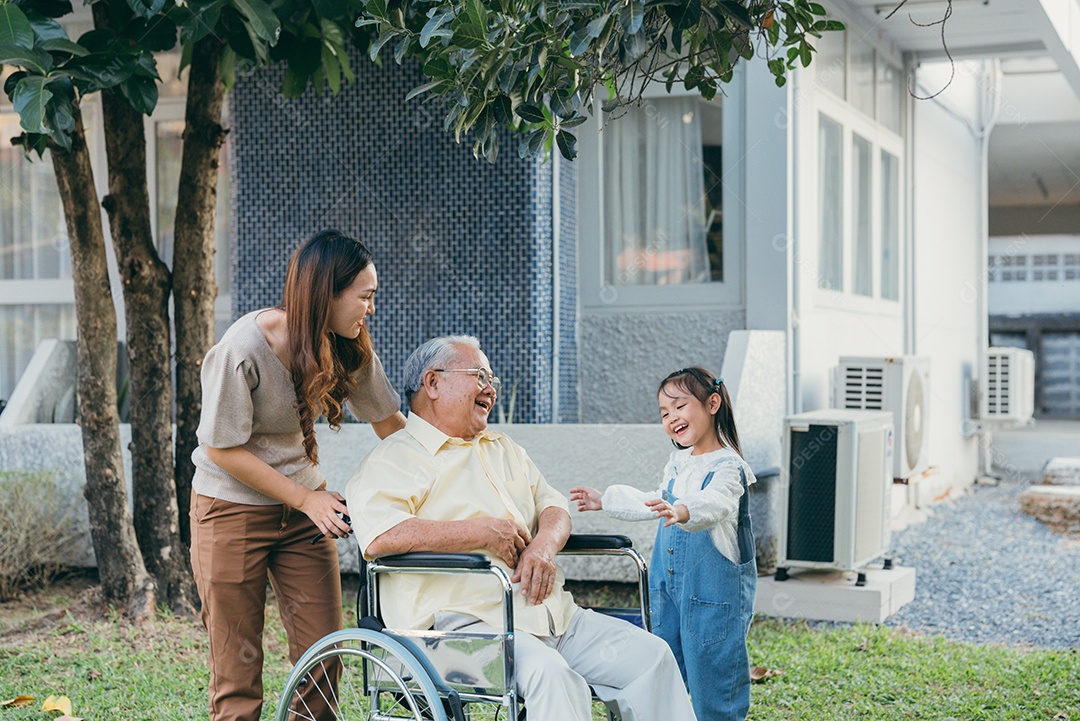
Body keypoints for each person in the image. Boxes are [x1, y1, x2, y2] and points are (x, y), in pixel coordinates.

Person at [346, 336, 697, 721]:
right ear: (433, 383)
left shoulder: (503, 448)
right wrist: (478, 533)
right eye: (479, 376)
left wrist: (544, 546)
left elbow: (555, 506)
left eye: (492, 379)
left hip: (551, 616)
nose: (490, 388)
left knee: (651, 657)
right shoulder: (394, 458)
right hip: (458, 632)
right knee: (553, 676)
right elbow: (382, 536)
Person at [190, 229, 407, 721]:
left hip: (306, 517)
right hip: (229, 512)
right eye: (365, 297)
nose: (371, 308)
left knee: (323, 660)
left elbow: (390, 425)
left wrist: (449, 469)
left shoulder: (347, 346)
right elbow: (221, 448)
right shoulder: (243, 348)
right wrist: (307, 499)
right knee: (237, 675)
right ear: (326, 293)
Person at [570, 366, 757, 721]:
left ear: (712, 403)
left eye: (680, 407)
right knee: (661, 667)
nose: (672, 418)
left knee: (713, 678)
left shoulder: (729, 467)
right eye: (664, 413)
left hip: (713, 601)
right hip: (668, 593)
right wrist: (606, 499)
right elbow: (656, 500)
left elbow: (717, 502)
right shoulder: (679, 462)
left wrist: (685, 509)